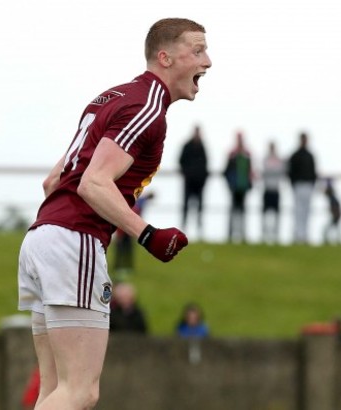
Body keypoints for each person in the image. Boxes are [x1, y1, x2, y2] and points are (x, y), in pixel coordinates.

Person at [17, 18, 211, 409]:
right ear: (166, 57)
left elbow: (53, 181)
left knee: (55, 391)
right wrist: (147, 234)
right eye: (198, 50)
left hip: (42, 238)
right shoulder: (148, 107)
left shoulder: (113, 96)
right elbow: (92, 183)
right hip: (75, 239)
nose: (208, 61)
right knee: (81, 392)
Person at [178, 124, 209, 239]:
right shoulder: (188, 146)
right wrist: (187, 173)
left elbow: (205, 164)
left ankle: (199, 230)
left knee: (200, 207)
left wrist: (203, 177)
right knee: (185, 206)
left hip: (199, 183)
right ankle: (183, 230)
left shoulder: (202, 146)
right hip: (189, 182)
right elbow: (181, 161)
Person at [288, 132, 317, 244]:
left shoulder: (310, 155)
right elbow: (290, 172)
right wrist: (294, 184)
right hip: (298, 185)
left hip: (308, 185)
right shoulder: (295, 155)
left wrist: (312, 183)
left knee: (307, 212)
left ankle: (305, 235)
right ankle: (298, 235)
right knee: (298, 211)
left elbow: (314, 172)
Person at [224, 131, 253, 243]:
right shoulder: (232, 154)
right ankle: (230, 235)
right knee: (233, 211)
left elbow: (249, 171)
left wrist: (249, 184)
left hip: (243, 187)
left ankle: (242, 234)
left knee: (242, 211)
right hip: (234, 187)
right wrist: (230, 184)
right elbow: (226, 171)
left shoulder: (247, 154)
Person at [261, 141, 286, 244]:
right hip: (267, 189)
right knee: (265, 214)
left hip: (276, 190)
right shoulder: (265, 159)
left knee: (276, 214)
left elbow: (282, 172)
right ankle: (265, 234)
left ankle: (275, 234)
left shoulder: (279, 160)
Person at [322, 178, 341, 245]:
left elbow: (335, 208)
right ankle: (337, 241)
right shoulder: (333, 198)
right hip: (336, 216)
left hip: (336, 216)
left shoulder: (332, 198)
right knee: (334, 229)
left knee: (329, 229)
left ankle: (335, 241)